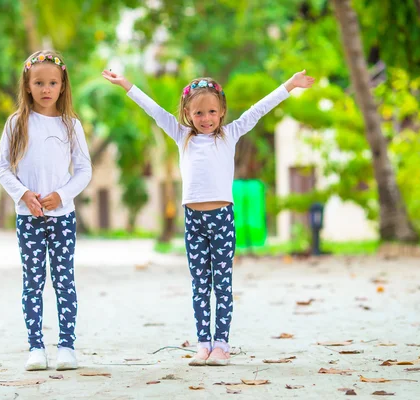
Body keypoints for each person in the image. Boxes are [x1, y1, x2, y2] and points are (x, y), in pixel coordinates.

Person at [102, 69, 314, 366]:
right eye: (199, 113)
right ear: (188, 114)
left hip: (222, 219)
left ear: (222, 111)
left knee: (222, 283)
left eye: (212, 111)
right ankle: (203, 343)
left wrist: (289, 85)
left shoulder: (231, 134)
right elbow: (153, 110)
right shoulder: (181, 136)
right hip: (193, 221)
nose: (206, 118)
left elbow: (260, 108)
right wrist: (126, 84)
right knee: (200, 284)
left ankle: (222, 345)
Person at [0, 50, 92, 371]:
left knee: (64, 280)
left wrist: (62, 195)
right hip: (29, 218)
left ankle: (67, 345)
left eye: (53, 82)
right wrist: (23, 194)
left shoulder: (71, 125)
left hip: (62, 217)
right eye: (39, 82)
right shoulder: (16, 123)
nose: (46, 88)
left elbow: (83, 170)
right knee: (33, 281)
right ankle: (36, 346)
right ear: (27, 86)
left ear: (63, 86)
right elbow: (2, 168)